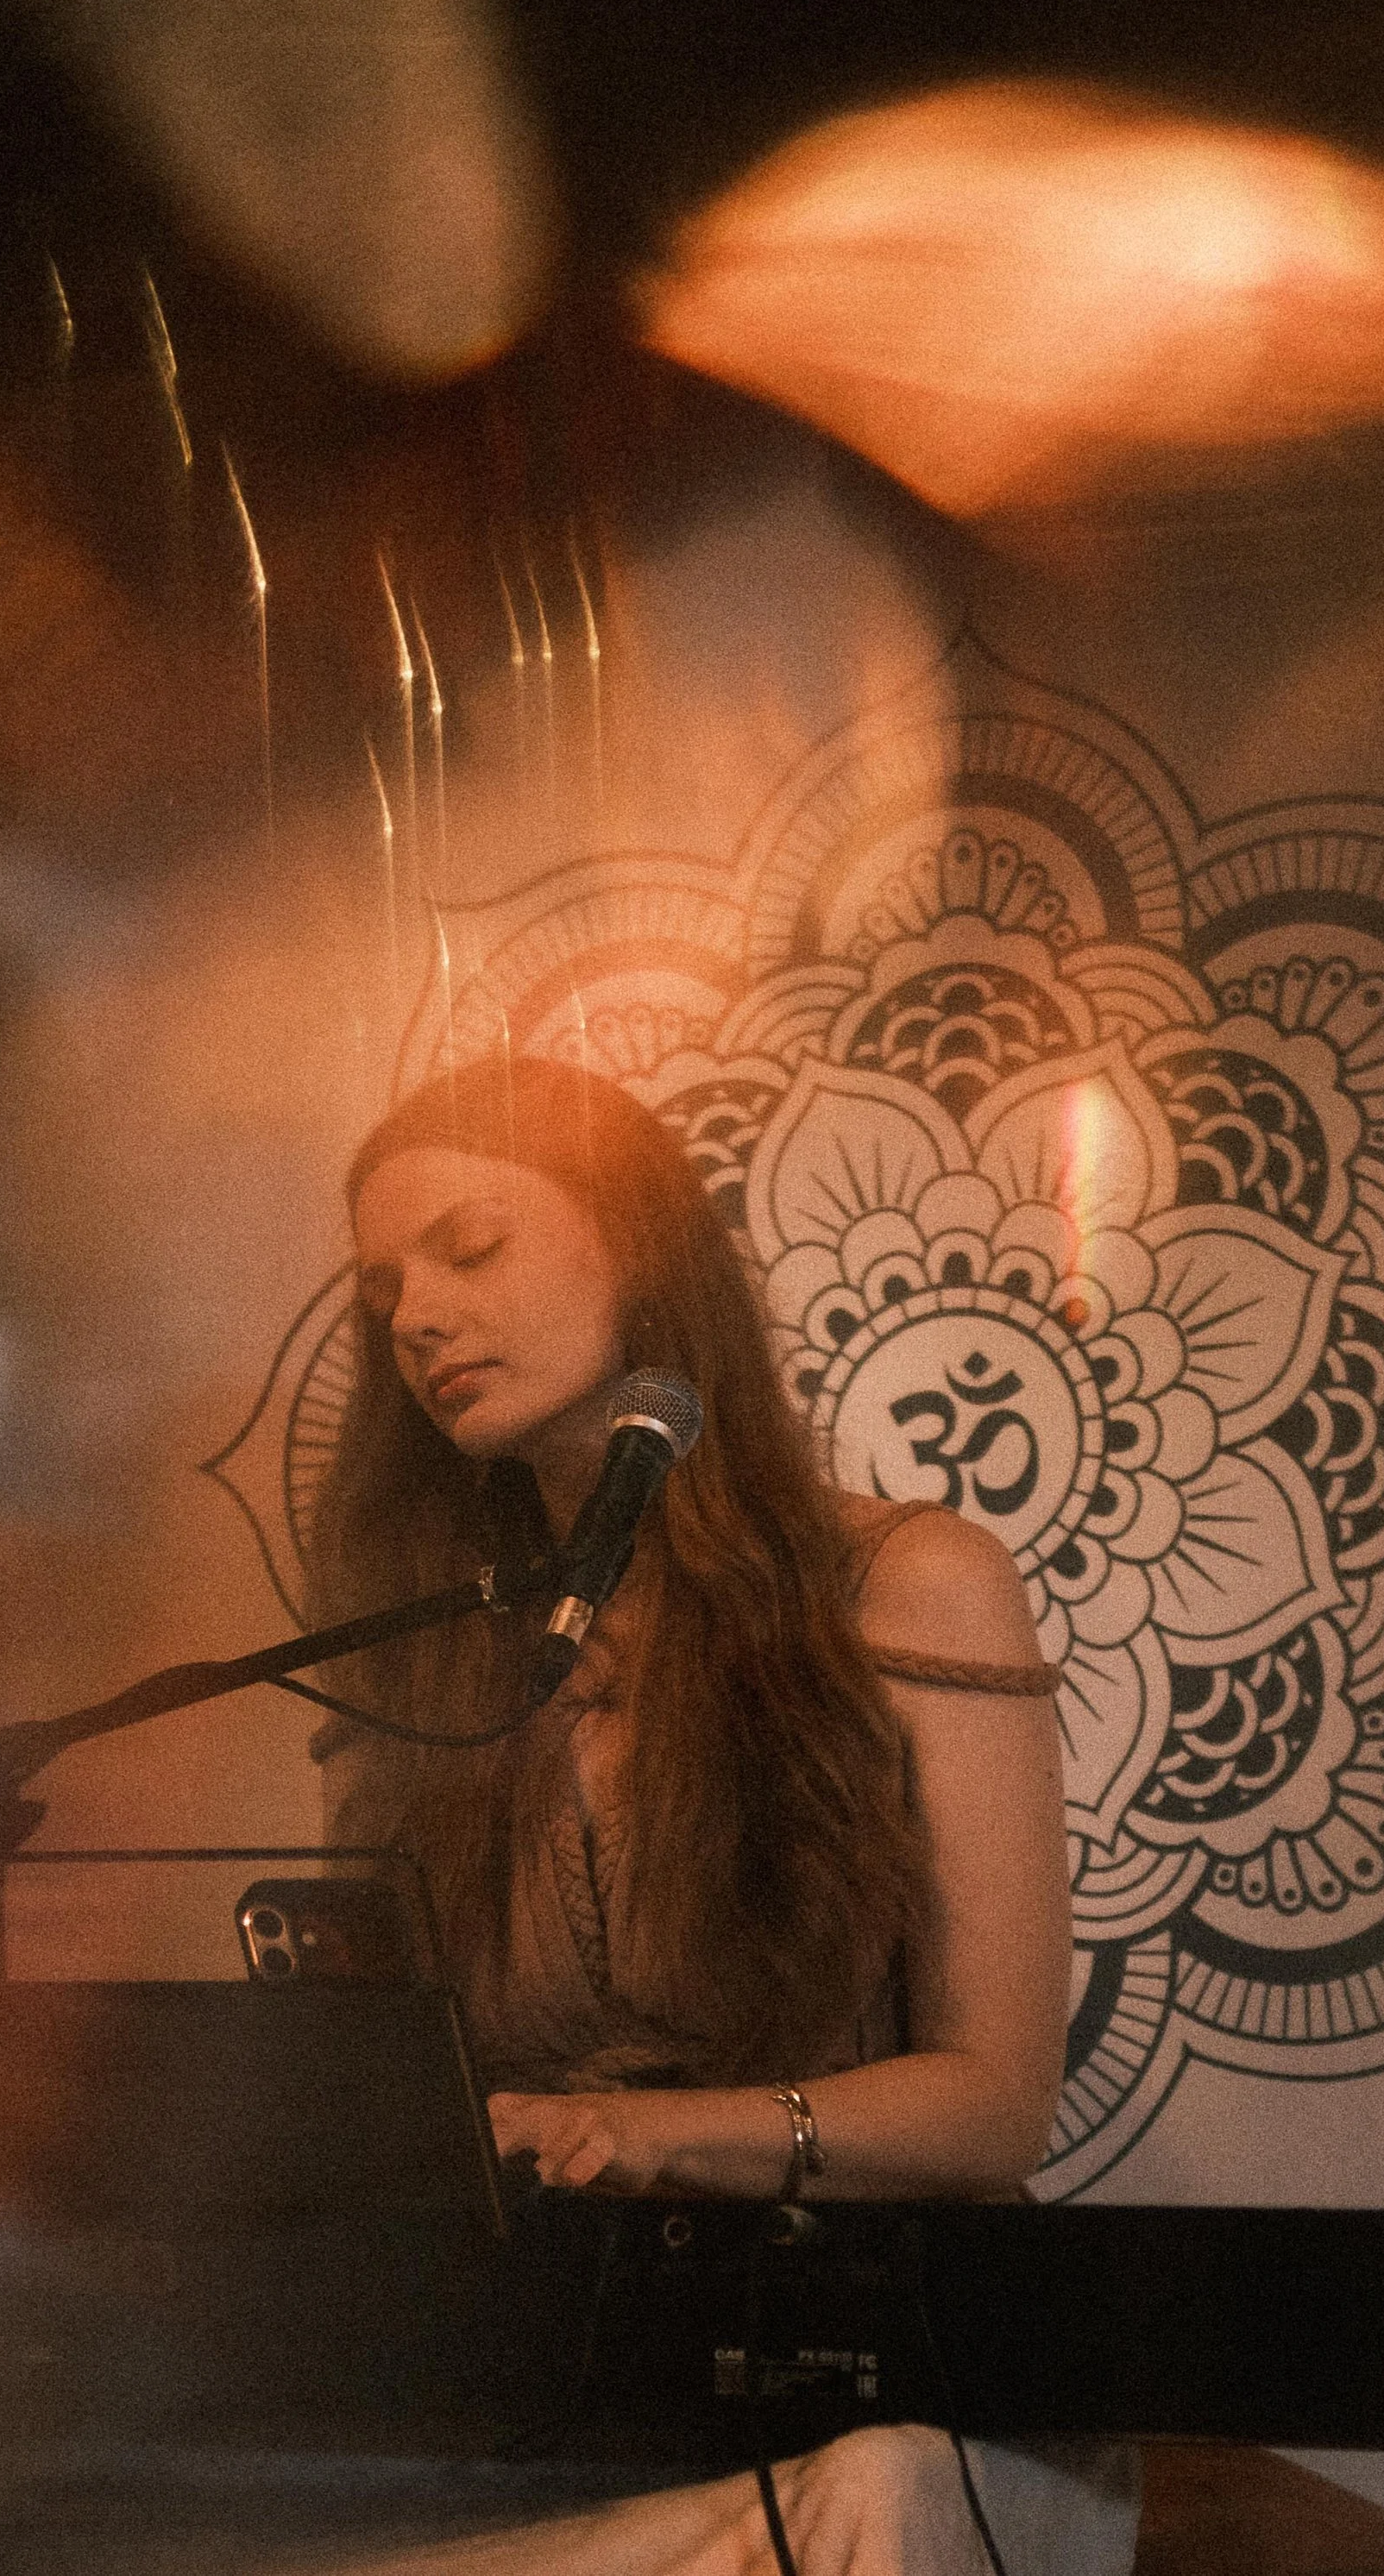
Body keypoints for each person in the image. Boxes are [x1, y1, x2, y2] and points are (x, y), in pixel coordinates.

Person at [305, 1052, 1140, 2576]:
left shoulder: (910, 1578)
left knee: (870, 2503)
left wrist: (641, 2133)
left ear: (641, 1246)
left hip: (907, 2383)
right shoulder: (427, 1650)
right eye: (382, 1289)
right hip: (578, 2388)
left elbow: (997, 2102)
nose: (416, 1311)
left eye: (470, 1248)